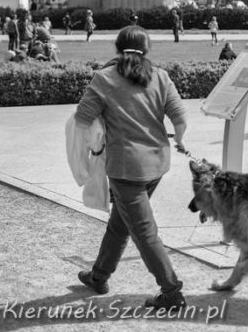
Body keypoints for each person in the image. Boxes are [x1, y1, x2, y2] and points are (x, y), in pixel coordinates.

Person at [73, 26, 188, 312]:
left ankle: (171, 290)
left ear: (117, 46)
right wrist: (181, 140)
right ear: (147, 49)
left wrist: (94, 140)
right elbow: (180, 118)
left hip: (125, 168)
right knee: (121, 222)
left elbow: (81, 117)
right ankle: (99, 276)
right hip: (158, 163)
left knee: (144, 231)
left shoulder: (104, 78)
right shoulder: (160, 76)